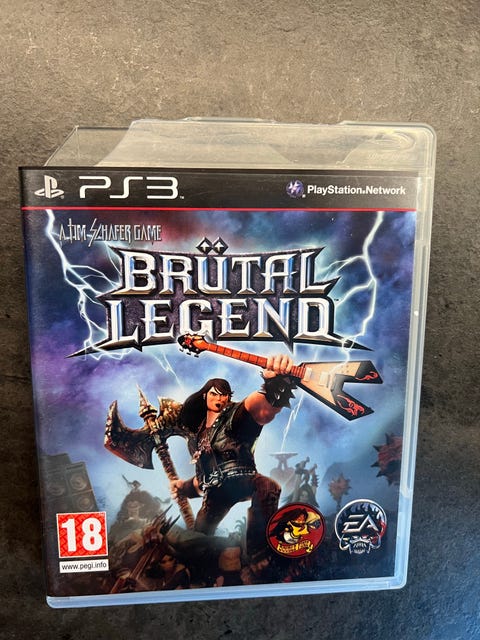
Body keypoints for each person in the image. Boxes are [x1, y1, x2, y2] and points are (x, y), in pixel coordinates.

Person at [170, 354, 295, 560]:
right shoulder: (197, 437)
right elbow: (203, 478)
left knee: (267, 487)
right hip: (215, 492)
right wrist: (183, 488)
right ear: (205, 396)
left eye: (224, 395)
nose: (219, 399)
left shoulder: (235, 415)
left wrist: (275, 383)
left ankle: (259, 555)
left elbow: (262, 408)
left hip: (243, 478)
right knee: (198, 544)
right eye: (214, 394)